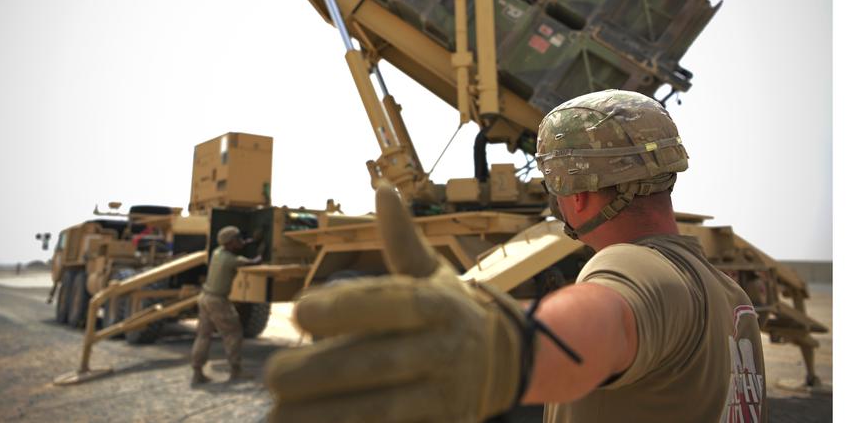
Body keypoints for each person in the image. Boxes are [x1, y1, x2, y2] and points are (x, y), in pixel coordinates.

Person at [265, 90, 767, 423]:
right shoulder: (732, 298)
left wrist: (502, 351)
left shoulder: (632, 264)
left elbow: (605, 320)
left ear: (575, 193)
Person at [190, 225, 257, 385]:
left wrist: (247, 242)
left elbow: (235, 248)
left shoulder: (217, 253)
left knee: (203, 335)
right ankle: (236, 370)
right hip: (218, 301)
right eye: (237, 239)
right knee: (233, 332)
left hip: (205, 297)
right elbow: (252, 262)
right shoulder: (231, 260)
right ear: (230, 242)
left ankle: (197, 372)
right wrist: (260, 254)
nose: (240, 241)